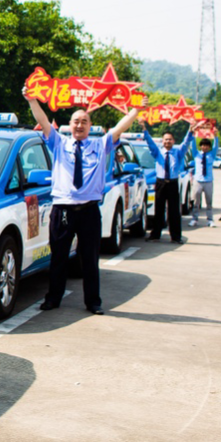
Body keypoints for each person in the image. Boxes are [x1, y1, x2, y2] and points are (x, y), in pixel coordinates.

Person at [25, 92, 140, 315]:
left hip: (88, 210)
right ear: (70, 125)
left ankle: (93, 302)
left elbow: (119, 128)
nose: (79, 125)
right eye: (76, 121)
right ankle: (53, 298)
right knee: (58, 257)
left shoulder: (100, 145)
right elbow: (43, 121)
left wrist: (135, 111)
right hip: (63, 210)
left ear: (90, 126)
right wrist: (31, 100)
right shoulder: (59, 143)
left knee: (89, 258)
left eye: (84, 122)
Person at [142, 121, 203, 243]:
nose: (167, 142)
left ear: (173, 141)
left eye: (170, 140)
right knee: (158, 210)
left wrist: (190, 131)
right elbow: (150, 143)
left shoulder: (178, 153)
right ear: (162, 141)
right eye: (165, 140)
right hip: (160, 183)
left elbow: (186, 143)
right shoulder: (158, 152)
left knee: (174, 211)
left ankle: (175, 236)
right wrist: (144, 130)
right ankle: (155, 234)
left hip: (173, 183)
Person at [188, 135, 219, 227]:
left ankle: (210, 220)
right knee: (196, 202)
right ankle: (194, 219)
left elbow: (216, 146)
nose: (205, 147)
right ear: (200, 146)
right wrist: (193, 135)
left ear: (209, 147)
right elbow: (193, 145)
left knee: (209, 202)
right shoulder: (196, 154)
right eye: (203, 145)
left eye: (207, 145)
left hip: (208, 181)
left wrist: (216, 137)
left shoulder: (211, 155)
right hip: (198, 180)